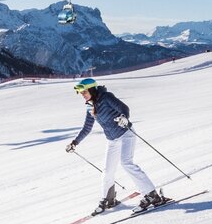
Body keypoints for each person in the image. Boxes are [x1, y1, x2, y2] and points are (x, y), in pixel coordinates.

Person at [65, 77, 167, 215]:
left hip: (125, 134)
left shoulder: (106, 97)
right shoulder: (90, 106)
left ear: (92, 89)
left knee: (126, 163)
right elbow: (87, 128)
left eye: (84, 91)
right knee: (107, 171)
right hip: (112, 140)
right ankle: (108, 199)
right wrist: (75, 142)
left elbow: (124, 108)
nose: (82, 94)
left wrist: (124, 117)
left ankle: (151, 195)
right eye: (80, 92)